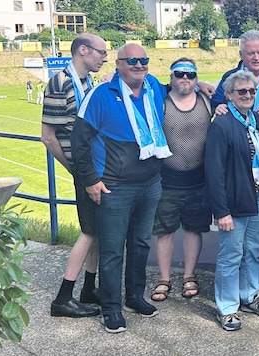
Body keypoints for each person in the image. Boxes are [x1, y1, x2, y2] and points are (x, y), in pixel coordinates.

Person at [71, 43, 170, 333]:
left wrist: (203, 84)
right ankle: (112, 309)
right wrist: (90, 179)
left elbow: (178, 86)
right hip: (114, 187)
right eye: (132, 61)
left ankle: (134, 297)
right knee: (113, 250)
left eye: (144, 60)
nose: (139, 65)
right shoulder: (100, 95)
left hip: (150, 183)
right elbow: (79, 141)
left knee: (140, 245)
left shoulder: (153, 87)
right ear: (118, 64)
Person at [41, 33, 108, 319]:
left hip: (90, 165)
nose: (105, 57)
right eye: (101, 52)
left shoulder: (84, 81)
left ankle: (88, 289)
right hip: (84, 168)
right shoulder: (60, 82)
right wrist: (76, 169)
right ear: (83, 51)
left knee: (96, 231)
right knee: (89, 232)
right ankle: (63, 298)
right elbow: (48, 136)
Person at [205, 70, 259, 331]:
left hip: (257, 197)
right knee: (231, 255)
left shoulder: (255, 119)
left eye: (251, 91)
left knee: (254, 251)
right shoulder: (221, 124)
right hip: (233, 203)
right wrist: (221, 211)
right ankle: (226, 307)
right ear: (229, 95)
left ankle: (250, 295)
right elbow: (213, 171)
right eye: (241, 91)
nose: (247, 95)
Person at [150, 57, 212, 302]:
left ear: (196, 77)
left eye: (190, 74)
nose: (184, 78)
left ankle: (189, 275)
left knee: (193, 230)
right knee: (164, 232)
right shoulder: (160, 102)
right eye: (179, 74)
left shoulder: (208, 101)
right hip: (166, 180)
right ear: (171, 76)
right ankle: (163, 278)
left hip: (198, 180)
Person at [211, 30, 259, 113]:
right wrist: (218, 108)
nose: (256, 57)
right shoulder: (228, 77)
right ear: (241, 55)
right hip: (238, 125)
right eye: (251, 53)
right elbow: (214, 106)